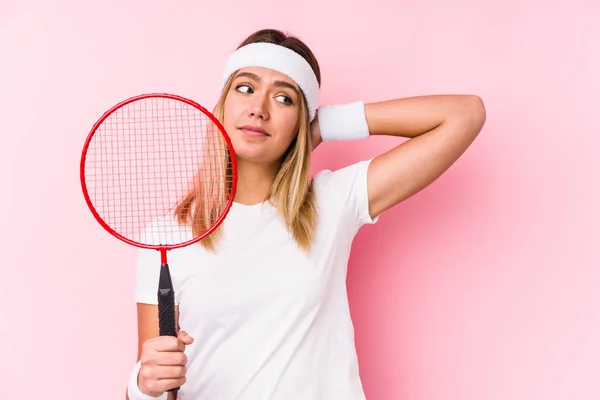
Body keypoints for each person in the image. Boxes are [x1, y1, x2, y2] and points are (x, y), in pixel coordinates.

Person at [126, 28, 486, 400]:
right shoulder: (167, 236)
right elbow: (155, 385)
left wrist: (324, 125)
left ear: (301, 119)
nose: (259, 109)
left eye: (284, 98)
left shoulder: (332, 202)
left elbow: (465, 114)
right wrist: (143, 384)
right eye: (246, 88)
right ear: (223, 103)